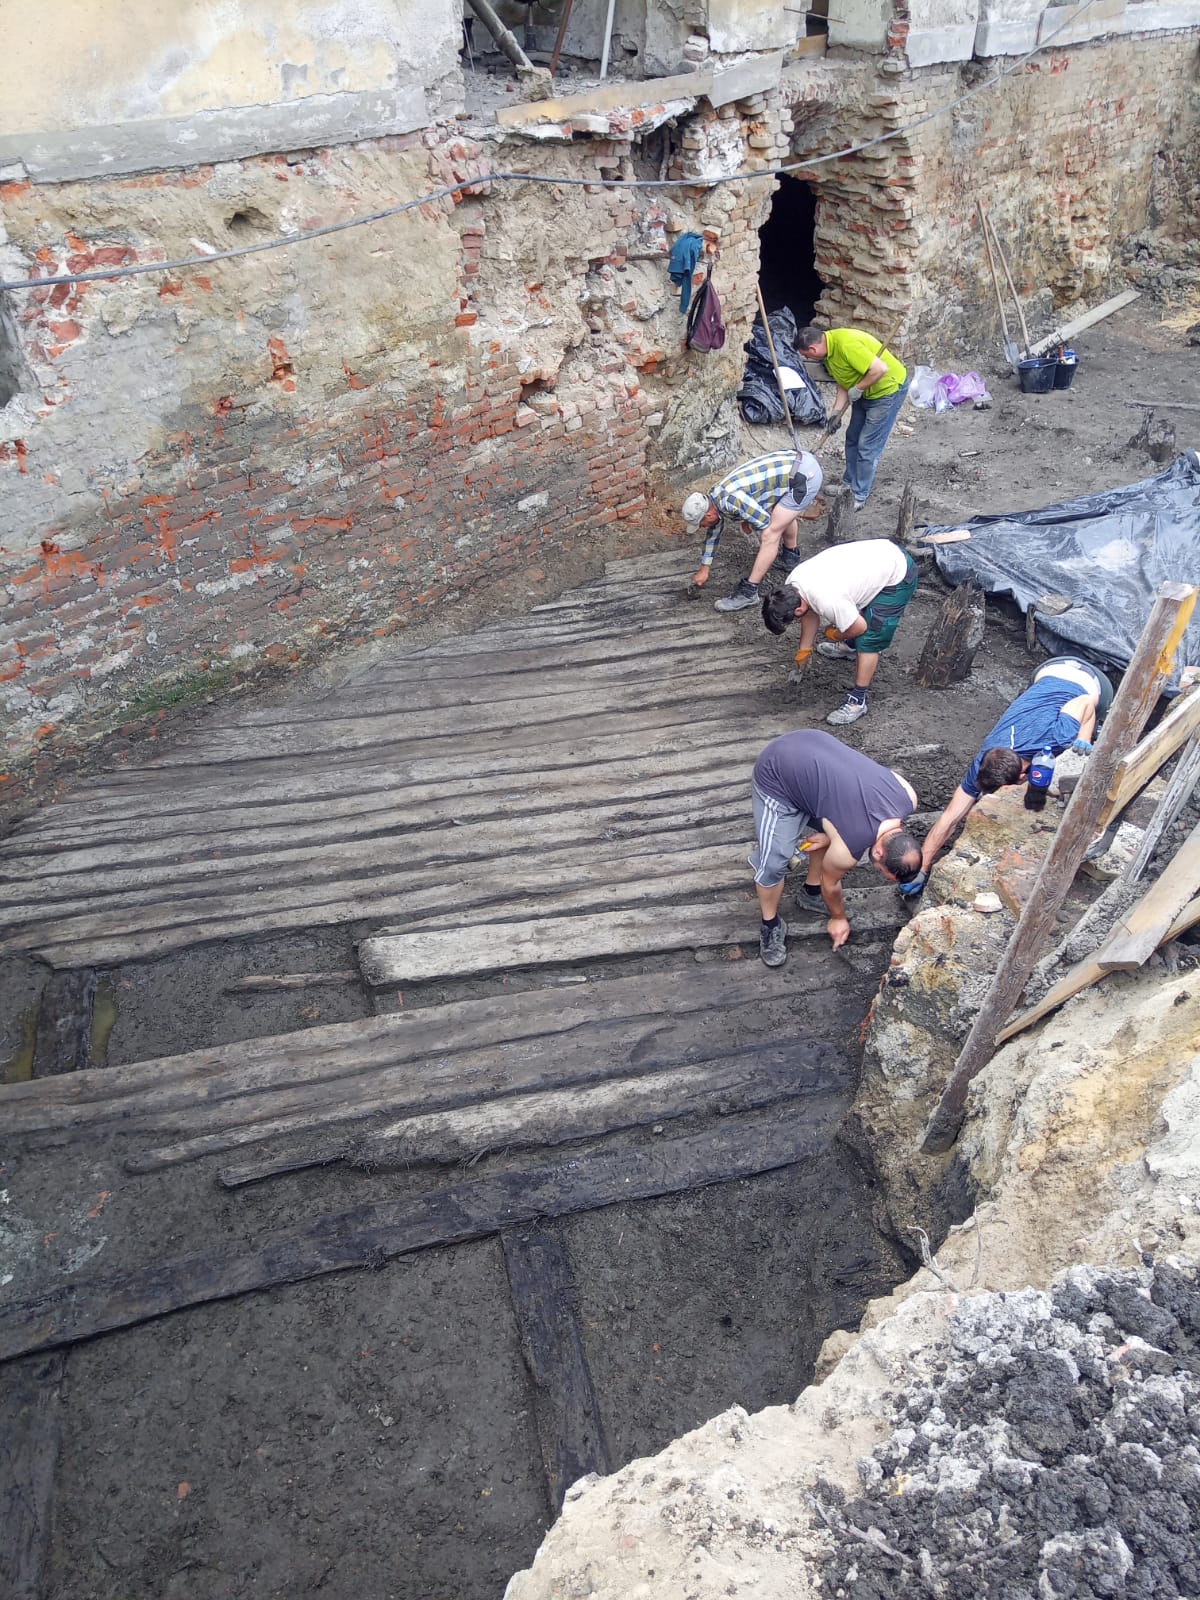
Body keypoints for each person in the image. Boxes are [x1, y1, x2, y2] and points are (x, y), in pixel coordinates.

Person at [913, 656, 1115, 888]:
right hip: (1046, 671)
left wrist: (1083, 738)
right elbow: (950, 817)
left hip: (1090, 683)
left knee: (1079, 749)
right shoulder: (985, 758)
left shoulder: (1058, 739)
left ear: (1021, 777)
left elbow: (1085, 703)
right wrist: (922, 866)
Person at [749, 728, 921, 962]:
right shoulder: (847, 850)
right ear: (879, 851)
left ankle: (810, 894)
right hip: (778, 771)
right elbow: (831, 884)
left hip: (813, 743)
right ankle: (770, 924)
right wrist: (838, 917)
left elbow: (855, 805)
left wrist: (833, 836)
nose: (877, 871)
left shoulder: (908, 795)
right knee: (773, 863)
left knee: (830, 834)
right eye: (881, 870)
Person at [760, 539, 919, 726]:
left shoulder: (827, 599)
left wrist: (837, 635)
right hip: (874, 559)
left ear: (797, 610)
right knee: (852, 619)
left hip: (897, 573)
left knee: (869, 639)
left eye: (792, 619)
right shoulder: (793, 585)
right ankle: (851, 648)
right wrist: (803, 652)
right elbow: (808, 615)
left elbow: (860, 627)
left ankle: (858, 701)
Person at [681, 448, 824, 612]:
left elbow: (764, 521)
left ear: (709, 514)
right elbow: (713, 533)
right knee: (780, 513)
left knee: (770, 534)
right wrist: (704, 568)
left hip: (804, 477)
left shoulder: (730, 500)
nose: (701, 527)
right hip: (796, 465)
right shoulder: (714, 497)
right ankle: (790, 558)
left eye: (701, 523)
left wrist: (748, 523)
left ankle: (749, 592)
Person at [795, 325, 910, 508]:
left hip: (887, 390)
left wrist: (858, 388)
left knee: (867, 445)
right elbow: (844, 380)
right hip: (865, 391)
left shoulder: (846, 344)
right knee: (852, 437)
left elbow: (880, 369)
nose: (808, 359)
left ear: (813, 349)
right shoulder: (828, 353)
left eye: (807, 356)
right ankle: (848, 484)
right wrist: (835, 414)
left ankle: (859, 494)